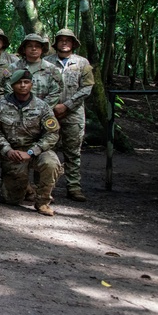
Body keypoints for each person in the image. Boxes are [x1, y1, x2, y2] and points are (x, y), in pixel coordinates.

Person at [0, 69, 62, 216]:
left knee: (51, 163)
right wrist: (7, 150)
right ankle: (26, 187)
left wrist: (32, 152)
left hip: (36, 150)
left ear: (32, 84)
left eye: (26, 82)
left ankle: (43, 201)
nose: (23, 85)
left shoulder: (42, 106)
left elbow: (52, 134)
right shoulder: (1, 105)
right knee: (11, 200)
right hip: (13, 153)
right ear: (12, 85)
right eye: (19, 82)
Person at [44, 28, 95, 202]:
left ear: (73, 43)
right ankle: (44, 189)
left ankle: (74, 187)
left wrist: (67, 105)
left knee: (73, 152)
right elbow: (41, 86)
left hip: (74, 114)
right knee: (47, 150)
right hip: (50, 114)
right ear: (56, 43)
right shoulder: (47, 62)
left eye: (68, 40)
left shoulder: (82, 63)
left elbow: (87, 87)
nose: (64, 43)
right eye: (61, 40)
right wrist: (52, 107)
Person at [0, 33, 63, 106]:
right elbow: (5, 89)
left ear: (42, 49)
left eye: (37, 46)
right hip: (15, 110)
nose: (34, 48)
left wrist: (41, 108)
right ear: (24, 49)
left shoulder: (52, 69)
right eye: (30, 46)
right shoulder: (12, 68)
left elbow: (56, 92)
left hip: (43, 113)